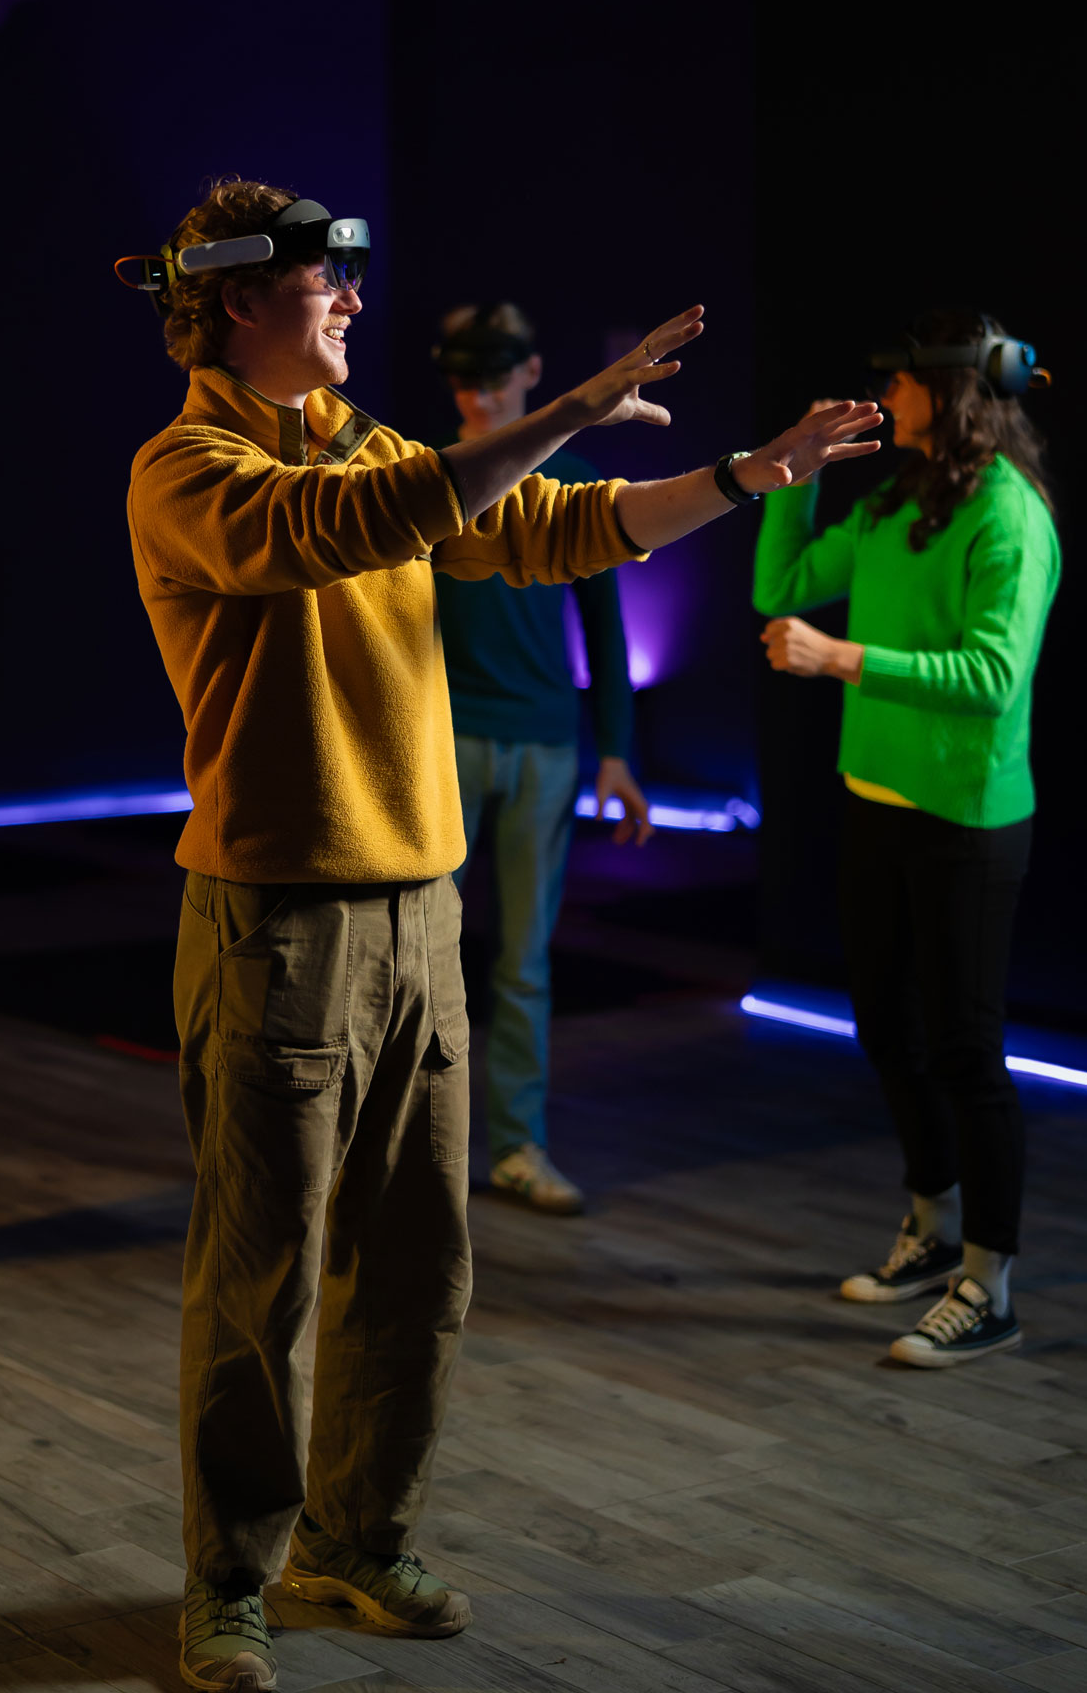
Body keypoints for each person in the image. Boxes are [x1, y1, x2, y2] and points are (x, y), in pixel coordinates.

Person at [123, 178, 879, 1692]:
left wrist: (749, 474)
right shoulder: (184, 468)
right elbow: (337, 530)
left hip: (418, 910)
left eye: (348, 281)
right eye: (318, 283)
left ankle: (355, 1539)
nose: (348, 301)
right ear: (228, 304)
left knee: (418, 1260)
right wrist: (570, 407)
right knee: (260, 1276)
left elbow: (560, 530)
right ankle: (229, 1582)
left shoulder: (391, 451)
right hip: (275, 924)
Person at [753, 310, 1059, 1368]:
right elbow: (779, 592)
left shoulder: (1010, 518)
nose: (886, 389)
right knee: (886, 1025)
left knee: (970, 1053)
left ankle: (992, 1284)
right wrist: (792, 475)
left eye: (903, 379)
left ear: (956, 391)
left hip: (968, 821)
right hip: (875, 799)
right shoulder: (896, 497)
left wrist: (841, 661)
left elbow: (991, 680)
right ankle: (931, 1233)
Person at [432, 302, 649, 1215]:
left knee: (523, 960)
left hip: (545, 745)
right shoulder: (428, 477)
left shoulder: (578, 474)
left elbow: (605, 631)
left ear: (530, 373)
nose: (481, 394)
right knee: (420, 958)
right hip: (441, 740)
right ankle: (416, 1149)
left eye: (497, 374)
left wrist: (616, 753)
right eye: (466, 377)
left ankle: (517, 1145)